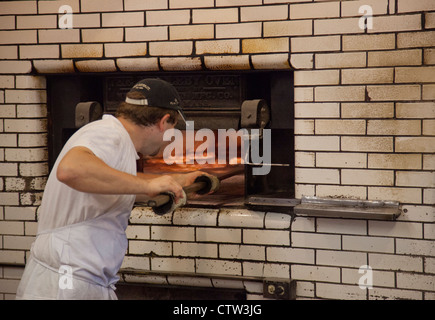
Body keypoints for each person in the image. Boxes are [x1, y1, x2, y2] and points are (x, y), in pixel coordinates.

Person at [16, 78, 204, 300]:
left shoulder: (117, 139)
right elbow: (70, 169)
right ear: (164, 122)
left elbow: (120, 183)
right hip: (65, 283)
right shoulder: (108, 134)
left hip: (76, 279)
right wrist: (149, 184)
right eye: (172, 130)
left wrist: (179, 181)